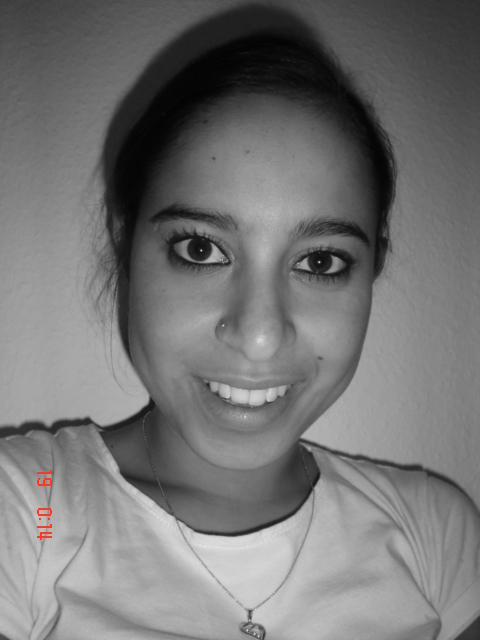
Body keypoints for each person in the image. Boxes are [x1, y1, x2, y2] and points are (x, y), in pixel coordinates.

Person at [0, 31, 479, 640]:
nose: (259, 337)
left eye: (321, 261)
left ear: (373, 267)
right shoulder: (28, 508)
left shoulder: (436, 533)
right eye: (201, 249)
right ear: (125, 244)